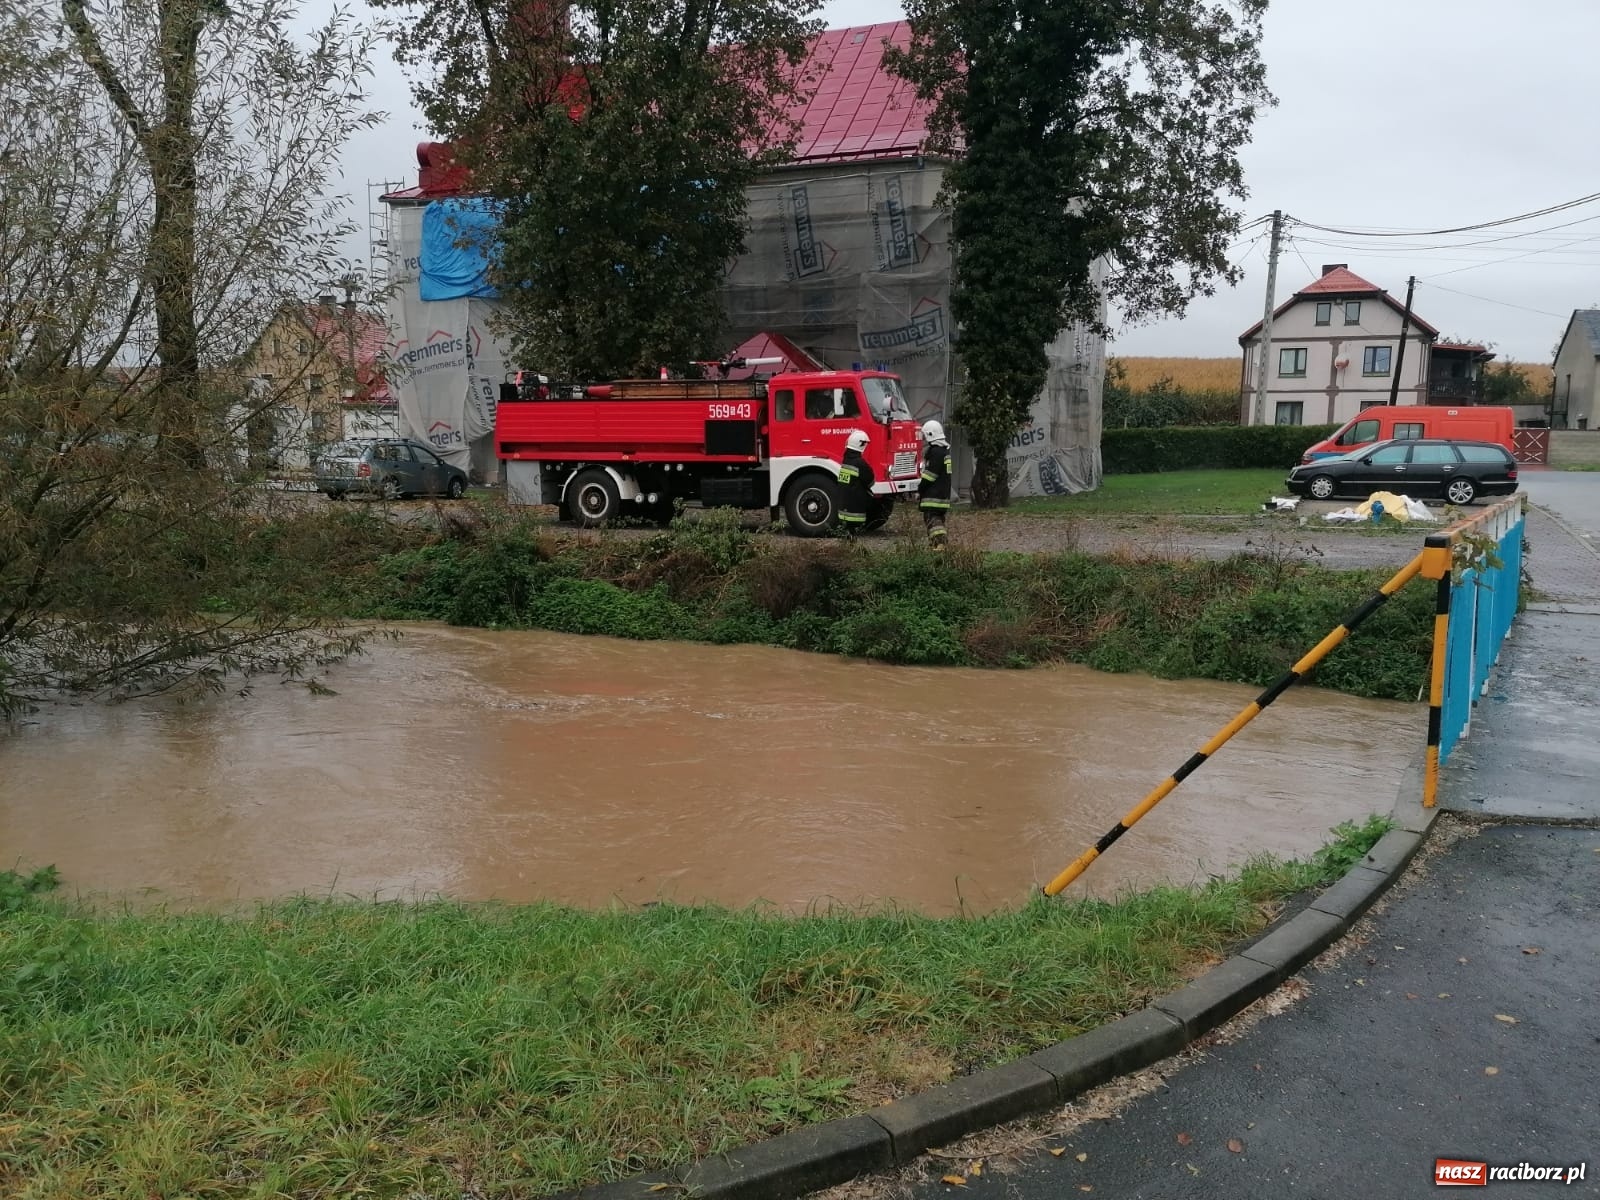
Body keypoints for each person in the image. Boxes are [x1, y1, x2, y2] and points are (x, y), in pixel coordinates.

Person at [917, 419, 952, 550]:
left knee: (933, 520)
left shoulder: (936, 453)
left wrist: (920, 489)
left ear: (930, 435)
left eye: (925, 436)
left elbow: (930, 475)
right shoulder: (943, 452)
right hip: (942, 495)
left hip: (934, 495)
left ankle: (940, 544)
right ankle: (936, 545)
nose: (924, 439)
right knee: (937, 520)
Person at [836, 429, 875, 537]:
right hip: (855, 509)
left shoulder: (845, 461)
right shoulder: (860, 463)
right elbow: (870, 481)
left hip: (843, 508)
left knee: (848, 533)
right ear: (861, 444)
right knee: (854, 534)